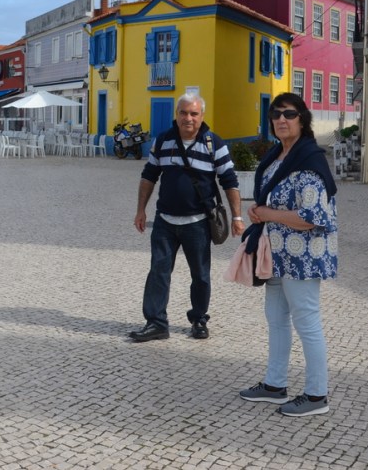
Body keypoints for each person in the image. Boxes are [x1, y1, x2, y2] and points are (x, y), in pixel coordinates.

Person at [237, 92, 338, 416]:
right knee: (276, 319)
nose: (282, 119)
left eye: (289, 114)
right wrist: (259, 211)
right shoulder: (277, 156)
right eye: (276, 114)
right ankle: (275, 385)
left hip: (303, 257)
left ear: (302, 119)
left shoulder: (309, 160)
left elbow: (313, 217)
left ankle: (316, 395)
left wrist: (268, 214)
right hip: (277, 255)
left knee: (306, 321)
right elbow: (270, 200)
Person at [131, 93, 246, 342]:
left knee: (201, 275)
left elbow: (229, 181)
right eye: (183, 113)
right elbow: (149, 175)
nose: (188, 118)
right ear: (177, 115)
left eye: (194, 113)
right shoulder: (163, 140)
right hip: (165, 221)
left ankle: (199, 319)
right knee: (158, 272)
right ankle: (156, 323)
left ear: (202, 116)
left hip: (199, 223)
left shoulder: (214, 143)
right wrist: (141, 210)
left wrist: (237, 217)